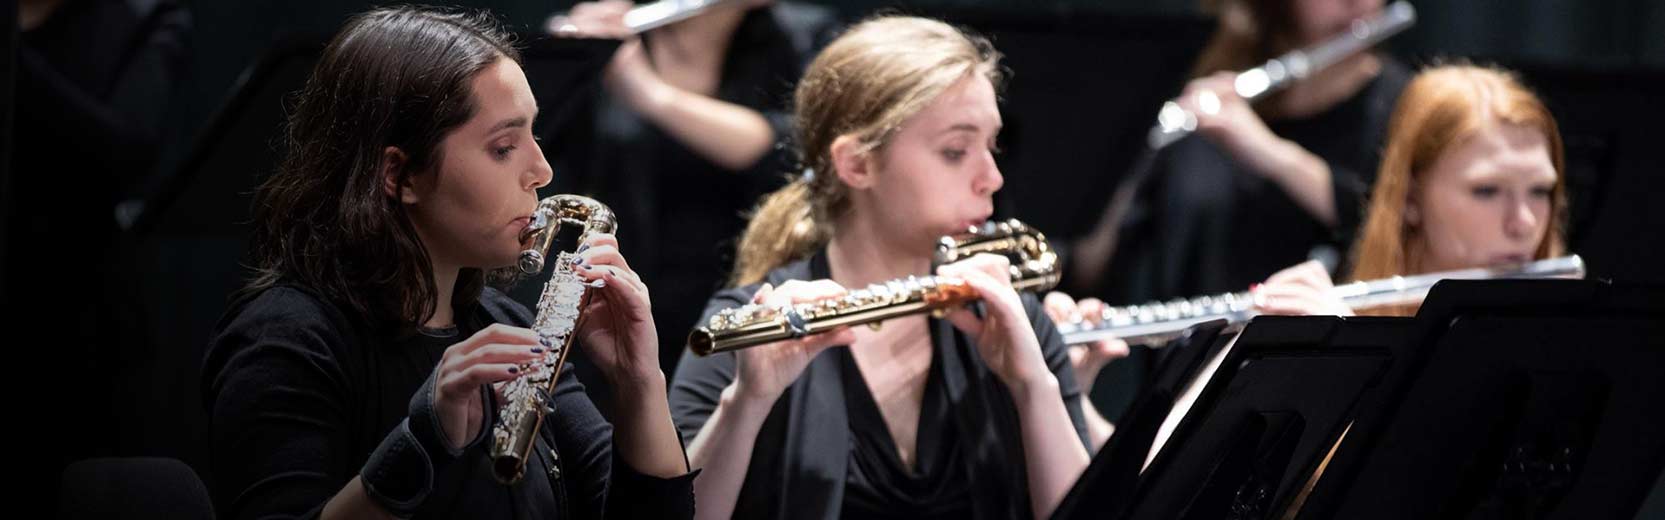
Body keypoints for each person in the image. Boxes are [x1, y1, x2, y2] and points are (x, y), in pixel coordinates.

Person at [200, 7, 694, 519]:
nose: (541, 171)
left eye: (534, 137)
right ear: (400, 175)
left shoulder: (509, 324)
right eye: (504, 147)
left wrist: (640, 383)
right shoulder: (285, 339)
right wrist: (423, 440)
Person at [668, 16, 1092, 520]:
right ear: (857, 165)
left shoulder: (1012, 320)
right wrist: (746, 404)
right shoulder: (753, 323)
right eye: (956, 151)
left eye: (992, 146)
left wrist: (1033, 387)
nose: (992, 178)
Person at [545, 0, 839, 377]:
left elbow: (793, 146)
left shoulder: (803, 37)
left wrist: (648, 93)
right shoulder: (611, 32)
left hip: (749, 301)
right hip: (610, 304)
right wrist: (562, 64)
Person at [1068, 0, 1414, 305]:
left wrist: (1265, 150)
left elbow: (1392, 229)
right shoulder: (1201, 101)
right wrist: (1114, 164)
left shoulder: (1407, 108)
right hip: (1193, 368)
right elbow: (1089, 271)